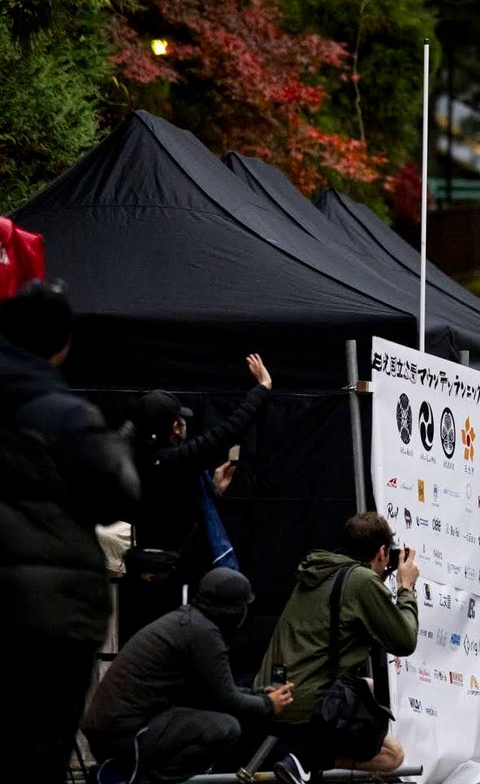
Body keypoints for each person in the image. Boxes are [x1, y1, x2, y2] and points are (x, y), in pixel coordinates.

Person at [0, 279, 143, 784]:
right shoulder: (65, 414)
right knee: (38, 753)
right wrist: (120, 443)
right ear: (62, 343)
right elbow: (119, 495)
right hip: (49, 616)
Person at [84, 568, 294, 782]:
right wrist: (268, 704)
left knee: (206, 714)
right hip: (123, 735)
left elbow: (214, 689)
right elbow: (226, 699)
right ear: (234, 609)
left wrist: (258, 694)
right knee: (226, 728)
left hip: (110, 730)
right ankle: (148, 780)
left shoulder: (187, 622)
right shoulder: (203, 634)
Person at [125, 354, 275, 642]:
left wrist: (213, 489)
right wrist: (262, 388)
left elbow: (171, 506)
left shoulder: (138, 462)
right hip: (177, 575)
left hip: (146, 572)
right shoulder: (175, 462)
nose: (184, 425)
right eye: (179, 420)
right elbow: (229, 431)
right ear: (172, 427)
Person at [257, 512, 420, 776]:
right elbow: (404, 641)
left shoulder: (319, 571)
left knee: (376, 694)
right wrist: (406, 588)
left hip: (270, 694)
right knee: (392, 755)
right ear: (382, 552)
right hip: (305, 706)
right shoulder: (361, 581)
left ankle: (303, 761)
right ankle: (306, 760)